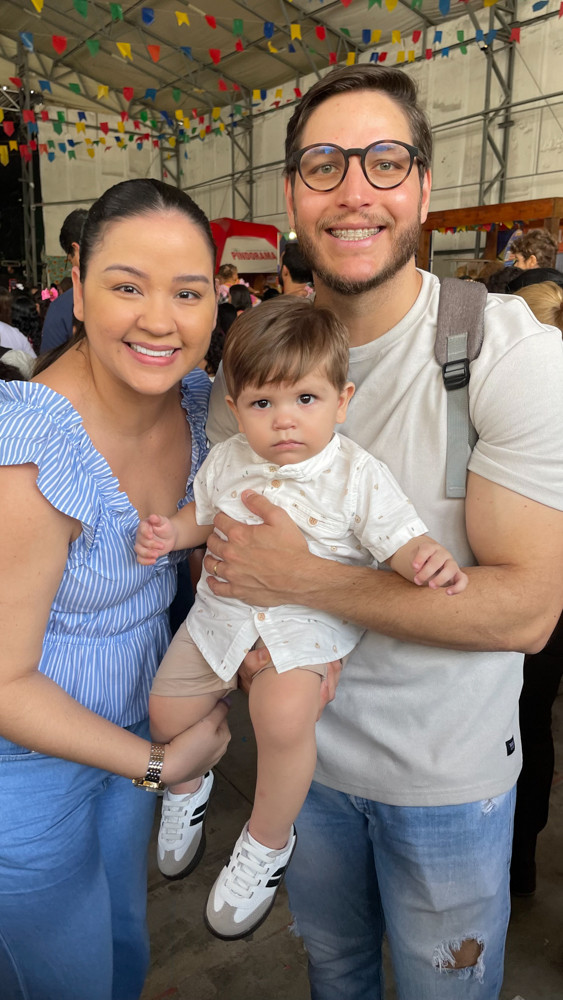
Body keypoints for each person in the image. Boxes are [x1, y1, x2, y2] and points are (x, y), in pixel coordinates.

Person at [204, 65, 563, 998]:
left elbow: (525, 610)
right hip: (304, 772)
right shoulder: (255, 362)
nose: (354, 190)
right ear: (292, 194)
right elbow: (225, 555)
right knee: (335, 970)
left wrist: (302, 580)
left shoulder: (505, 351)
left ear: (422, 189)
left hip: (446, 781)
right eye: (324, 164)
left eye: (384, 162)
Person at [135, 295, 467, 938]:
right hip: (218, 619)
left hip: (302, 626)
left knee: (283, 715)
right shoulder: (228, 459)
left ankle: (266, 840)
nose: (284, 419)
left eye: (305, 399)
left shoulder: (357, 475)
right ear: (236, 409)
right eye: (263, 403)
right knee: (164, 710)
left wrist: (425, 558)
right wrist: (171, 533)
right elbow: (202, 514)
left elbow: (398, 539)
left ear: (342, 401)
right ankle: (185, 785)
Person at [0, 178, 230, 1000]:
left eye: (187, 292)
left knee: (122, 945)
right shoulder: (27, 449)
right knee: (65, 978)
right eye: (127, 286)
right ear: (77, 283)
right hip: (25, 773)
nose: (160, 320)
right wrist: (161, 765)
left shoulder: (199, 407)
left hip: (132, 731)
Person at [508, 280, 563, 896]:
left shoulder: (533, 393)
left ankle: (515, 854)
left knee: (518, 715)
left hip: (532, 592)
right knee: (533, 718)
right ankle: (521, 859)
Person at [40, 207, 88, 353]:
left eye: (69, 257)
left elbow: (49, 362)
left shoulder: (62, 308)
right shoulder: (136, 291)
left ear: (76, 251)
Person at [507, 227, 563, 292]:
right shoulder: (558, 286)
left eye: (517, 260)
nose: (515, 265)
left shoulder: (520, 289)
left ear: (532, 261)